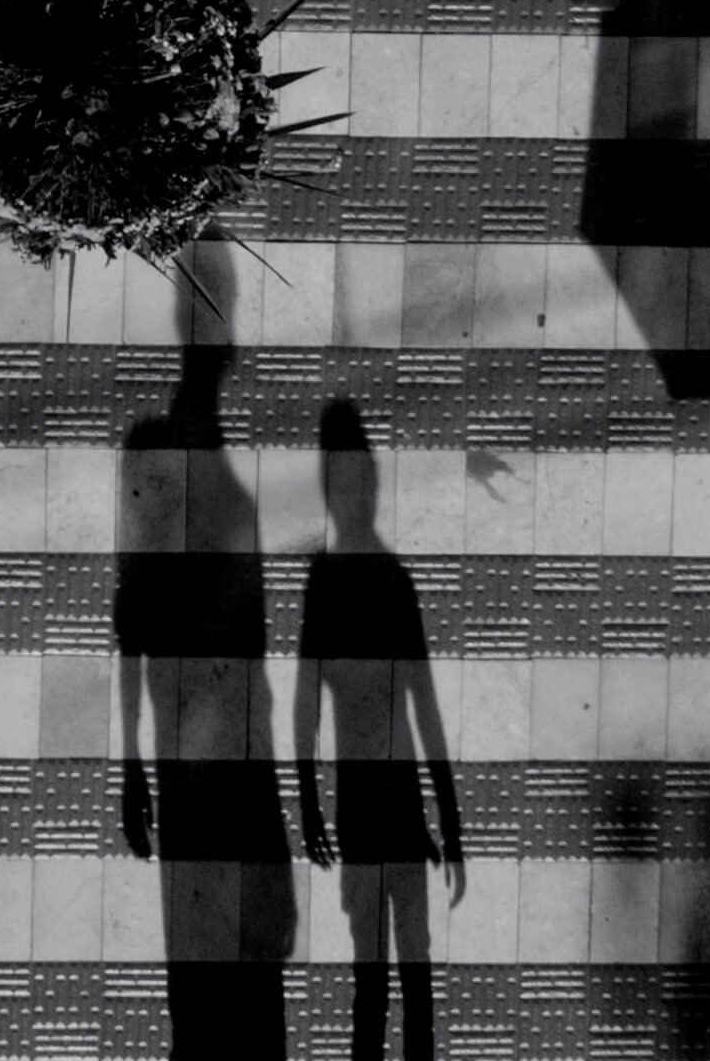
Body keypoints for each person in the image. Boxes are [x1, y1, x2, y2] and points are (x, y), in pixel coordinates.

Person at [115, 238, 295, 1059]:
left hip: (211, 753)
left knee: (225, 960)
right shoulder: (178, 479)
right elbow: (130, 620)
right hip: (207, 755)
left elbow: (130, 622)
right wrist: (131, 765)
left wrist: (131, 764)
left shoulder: (179, 480)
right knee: (224, 965)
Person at [295, 402, 462, 1061]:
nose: (357, 494)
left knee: (384, 985)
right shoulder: (377, 581)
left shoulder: (356, 582)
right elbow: (419, 706)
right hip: (383, 810)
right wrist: (448, 818)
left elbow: (315, 702)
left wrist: (310, 801)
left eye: (360, 480)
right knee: (398, 982)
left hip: (373, 811)